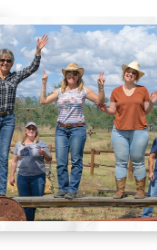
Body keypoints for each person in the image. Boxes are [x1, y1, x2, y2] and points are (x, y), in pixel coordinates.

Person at [0, 34, 50, 197]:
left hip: (8, 119)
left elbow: (32, 68)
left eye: (8, 61)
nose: (5, 63)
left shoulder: (14, 77)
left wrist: (38, 51)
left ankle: (1, 193)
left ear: (11, 63)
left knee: (3, 156)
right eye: (2, 60)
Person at [39, 64, 105, 199]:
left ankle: (72, 190)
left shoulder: (83, 90)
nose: (71, 75)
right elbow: (43, 101)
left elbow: (100, 100)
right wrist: (44, 84)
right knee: (61, 161)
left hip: (77, 129)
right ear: (65, 75)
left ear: (78, 76)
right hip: (61, 129)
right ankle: (63, 189)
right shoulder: (59, 91)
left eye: (74, 73)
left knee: (76, 161)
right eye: (69, 73)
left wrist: (101, 86)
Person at [98, 61, 157, 199]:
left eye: (133, 73)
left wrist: (151, 102)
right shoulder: (116, 91)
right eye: (128, 72)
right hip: (119, 131)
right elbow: (113, 110)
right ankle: (120, 191)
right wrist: (105, 110)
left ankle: (140, 191)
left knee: (138, 160)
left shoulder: (142, 90)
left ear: (136, 76)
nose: (130, 74)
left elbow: (146, 110)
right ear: (124, 73)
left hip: (139, 130)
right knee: (121, 161)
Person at [9, 122, 52, 221]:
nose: (31, 130)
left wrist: (44, 153)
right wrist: (12, 175)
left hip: (38, 177)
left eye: (33, 129)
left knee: (36, 202)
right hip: (22, 177)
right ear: (25, 131)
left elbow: (49, 159)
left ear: (36, 131)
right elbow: (14, 161)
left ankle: (29, 222)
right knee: (26, 204)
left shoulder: (41, 144)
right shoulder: (19, 144)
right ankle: (29, 224)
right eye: (29, 128)